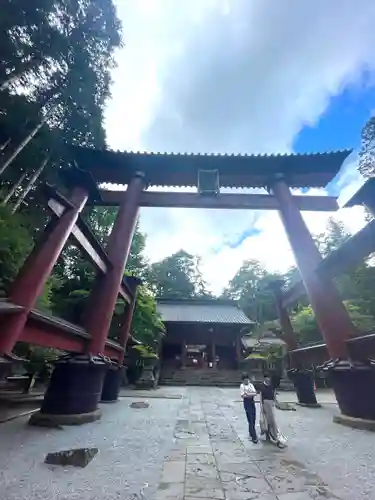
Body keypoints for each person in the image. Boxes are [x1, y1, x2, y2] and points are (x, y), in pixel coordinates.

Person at [259, 373, 287, 448]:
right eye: (267, 378)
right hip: (265, 403)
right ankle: (270, 435)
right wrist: (261, 406)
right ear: (264, 378)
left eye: (269, 378)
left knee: (272, 421)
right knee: (268, 420)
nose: (268, 379)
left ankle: (274, 436)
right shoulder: (262, 386)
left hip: (271, 403)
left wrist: (276, 401)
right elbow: (261, 396)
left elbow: (274, 393)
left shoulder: (271, 386)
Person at [240, 373, 258, 443]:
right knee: (250, 418)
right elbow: (243, 395)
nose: (246, 381)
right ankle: (254, 436)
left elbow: (255, 393)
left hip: (252, 402)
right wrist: (250, 394)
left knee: (253, 418)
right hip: (246, 403)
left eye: (247, 379)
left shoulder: (251, 385)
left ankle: (251, 432)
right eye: (245, 380)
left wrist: (248, 394)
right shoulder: (242, 386)